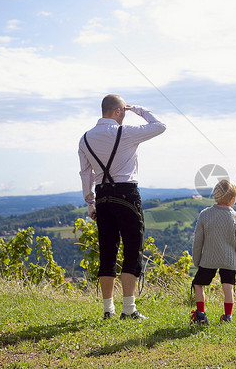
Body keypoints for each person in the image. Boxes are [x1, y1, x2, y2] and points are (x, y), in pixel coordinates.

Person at [78, 94, 166, 320]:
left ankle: (108, 310)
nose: (125, 115)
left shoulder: (85, 139)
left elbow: (86, 174)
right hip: (127, 194)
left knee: (107, 252)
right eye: (124, 112)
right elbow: (160, 126)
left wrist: (90, 204)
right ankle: (129, 309)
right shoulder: (125, 133)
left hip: (102, 196)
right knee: (132, 250)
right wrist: (138, 108)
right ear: (118, 111)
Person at [190, 179, 236, 324]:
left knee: (198, 284)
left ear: (215, 196)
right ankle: (227, 316)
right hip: (229, 260)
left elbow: (198, 241)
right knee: (228, 287)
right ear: (232, 199)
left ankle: (201, 314)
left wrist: (196, 260)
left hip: (209, 259)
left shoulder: (205, 214)